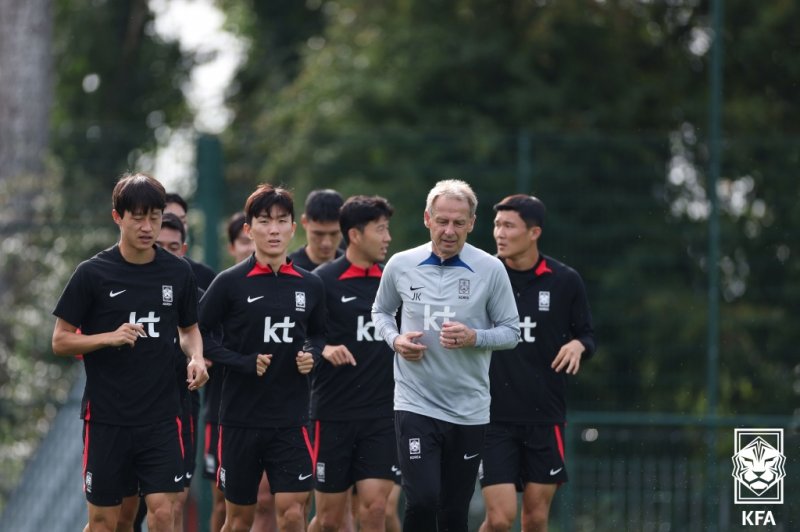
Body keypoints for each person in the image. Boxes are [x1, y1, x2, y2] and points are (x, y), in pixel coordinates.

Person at [51, 173, 209, 532]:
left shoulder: (178, 273)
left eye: (154, 216)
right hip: (107, 418)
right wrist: (108, 337)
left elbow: (189, 331)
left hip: (162, 416)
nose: (147, 226)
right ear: (117, 217)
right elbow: (60, 340)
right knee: (108, 522)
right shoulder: (92, 274)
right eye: (137, 217)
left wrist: (196, 357)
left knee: (164, 513)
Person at [371, 179, 520, 532]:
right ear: (427, 219)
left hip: (468, 409)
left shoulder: (491, 269)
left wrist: (474, 337)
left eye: (458, 222)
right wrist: (395, 340)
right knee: (422, 500)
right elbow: (380, 313)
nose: (449, 230)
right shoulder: (401, 264)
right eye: (442, 220)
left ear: (471, 223)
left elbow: (511, 332)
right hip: (415, 402)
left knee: (453, 513)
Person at [198, 184, 325, 532]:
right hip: (240, 418)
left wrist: (311, 355)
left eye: (281, 221)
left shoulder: (310, 286)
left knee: (293, 513)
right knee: (238, 520)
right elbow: (199, 335)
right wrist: (241, 362)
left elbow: (318, 333)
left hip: (292, 418)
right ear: (248, 228)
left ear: (292, 228)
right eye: (265, 221)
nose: (273, 230)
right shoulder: (228, 284)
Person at [479, 195, 596, 532]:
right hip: (491, 418)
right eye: (497, 225)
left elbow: (588, 336)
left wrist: (577, 345)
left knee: (535, 519)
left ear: (534, 233)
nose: (499, 233)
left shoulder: (564, 280)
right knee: (500, 519)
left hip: (544, 417)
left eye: (509, 226)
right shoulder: (484, 276)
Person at [308, 196, 397, 532]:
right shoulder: (322, 281)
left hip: (382, 414)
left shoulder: (396, 280)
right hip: (333, 414)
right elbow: (299, 337)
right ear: (356, 235)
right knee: (330, 520)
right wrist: (323, 347)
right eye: (381, 229)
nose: (387, 237)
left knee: (375, 508)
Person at [165, 192, 217, 290]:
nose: (177, 225)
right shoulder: (139, 272)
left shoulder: (205, 276)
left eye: (182, 221)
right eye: (170, 219)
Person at [288, 189, 344, 271]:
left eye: (334, 234)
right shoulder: (288, 269)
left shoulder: (355, 266)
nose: (326, 243)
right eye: (319, 234)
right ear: (304, 222)